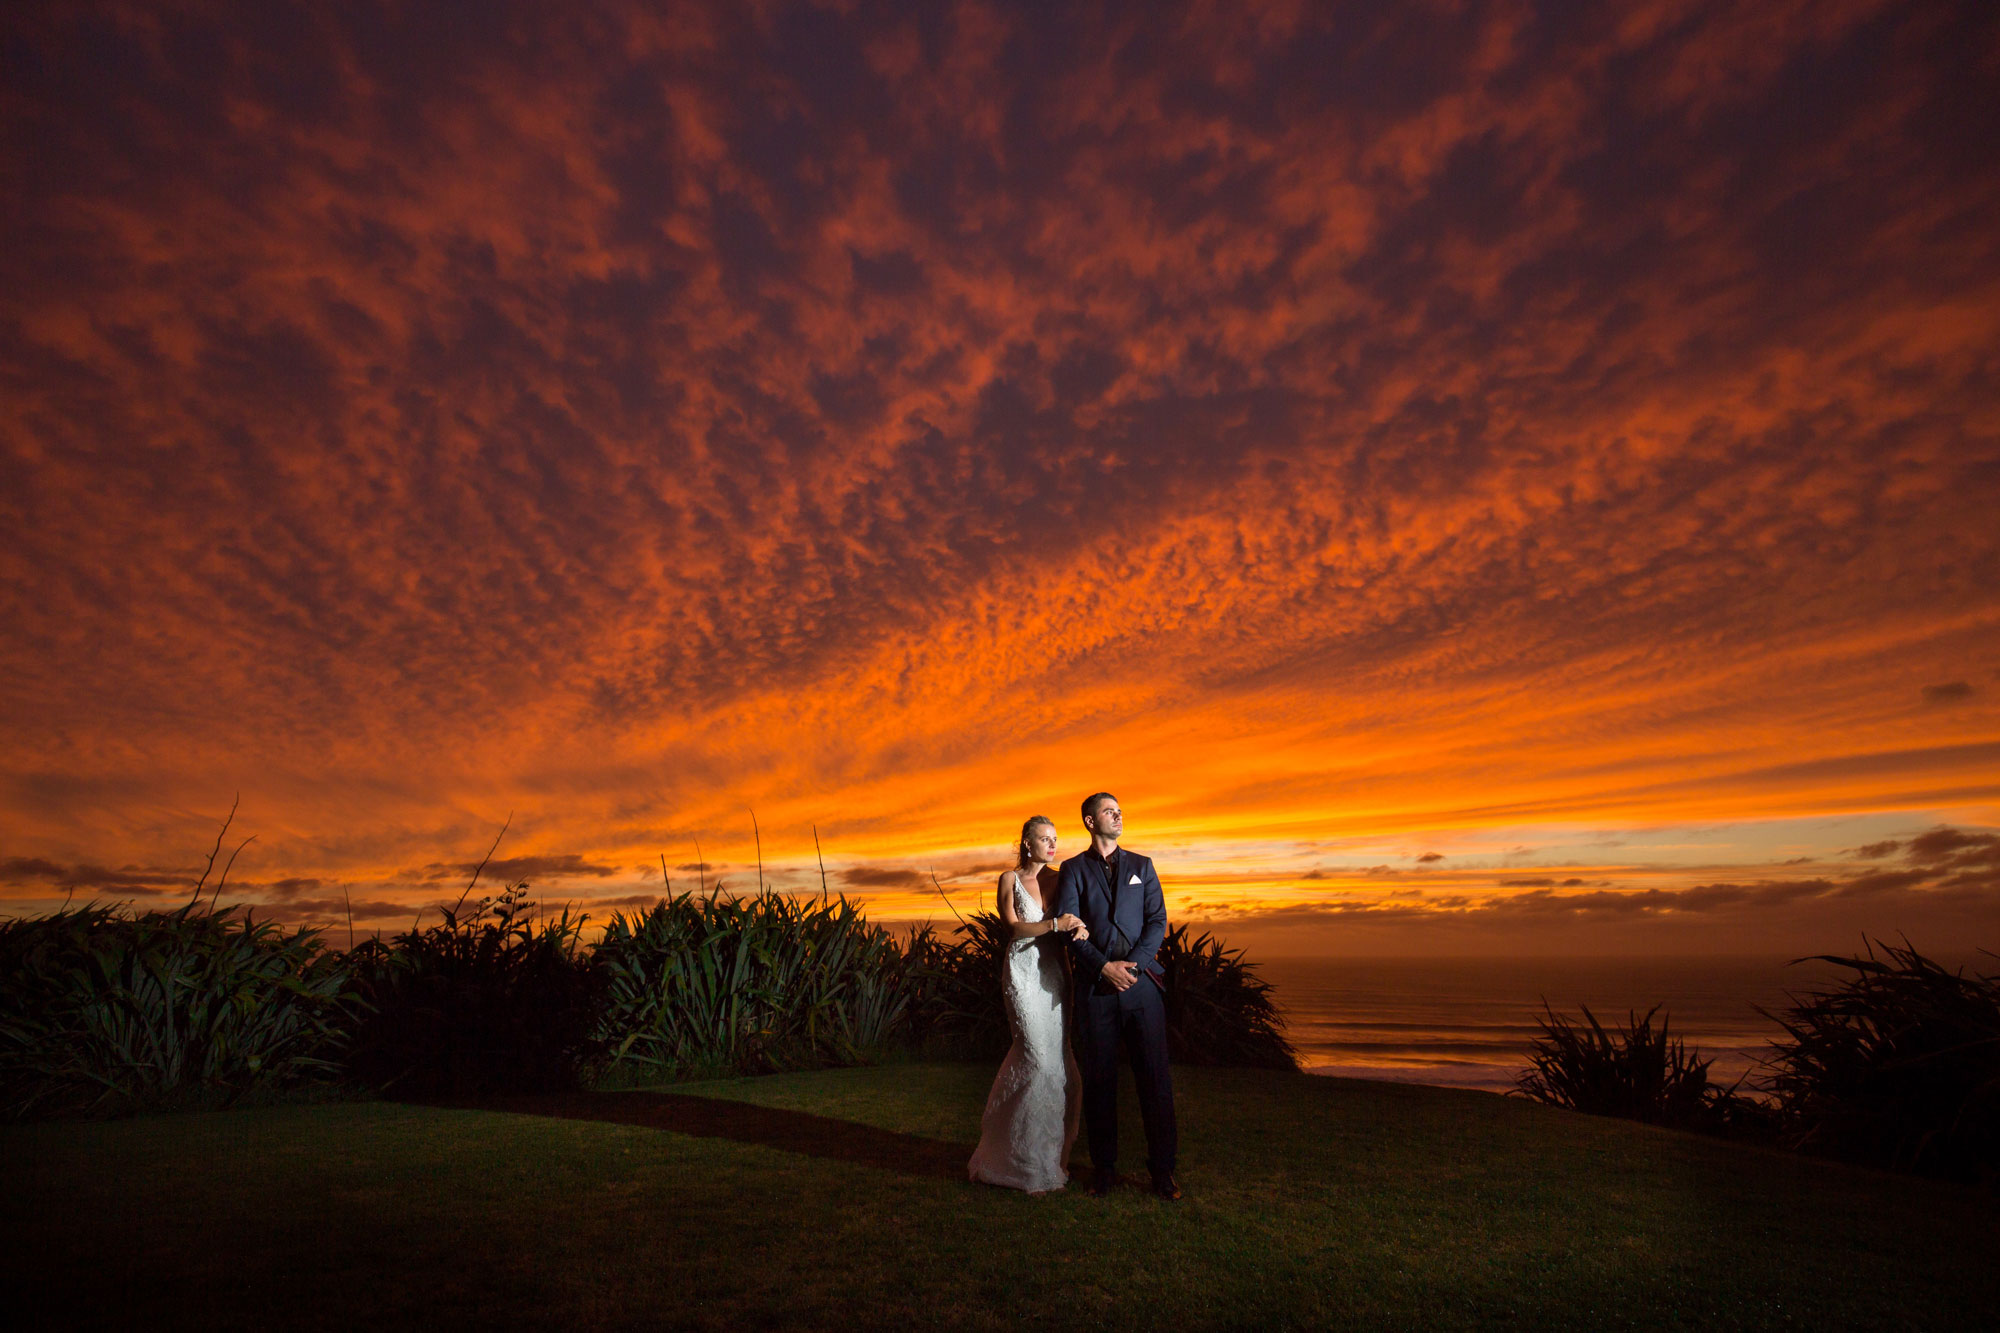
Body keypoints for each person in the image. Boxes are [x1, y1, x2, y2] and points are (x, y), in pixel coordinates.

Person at [1056, 792, 1180, 1199]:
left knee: (1155, 1081)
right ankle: (1104, 1170)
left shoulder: (1142, 866)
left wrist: (1135, 967)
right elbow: (1072, 928)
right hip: (1097, 990)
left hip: (1142, 988)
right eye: (1109, 811)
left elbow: (1157, 920)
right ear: (1090, 822)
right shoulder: (1072, 869)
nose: (1118, 815)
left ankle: (1163, 1172)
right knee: (1100, 1082)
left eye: (1120, 810)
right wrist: (1103, 967)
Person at [966, 815, 1088, 1193]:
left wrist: (1078, 926)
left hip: (1055, 972)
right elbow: (1015, 927)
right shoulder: (1009, 879)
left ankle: (1050, 1159)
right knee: (1035, 1057)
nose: (1052, 845)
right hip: (1022, 972)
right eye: (1044, 839)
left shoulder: (1060, 878)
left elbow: (1076, 917)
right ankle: (1016, 1159)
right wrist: (1056, 925)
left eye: (1055, 839)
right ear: (1027, 842)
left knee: (1058, 1061)